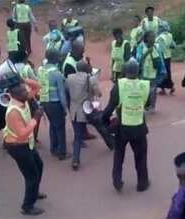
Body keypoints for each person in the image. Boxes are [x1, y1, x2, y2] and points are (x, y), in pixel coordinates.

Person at [102, 60, 151, 192]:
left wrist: (105, 121)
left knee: (119, 154)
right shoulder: (145, 85)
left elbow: (109, 107)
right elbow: (148, 104)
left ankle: (117, 181)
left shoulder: (119, 86)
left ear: (125, 71)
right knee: (140, 156)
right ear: (138, 71)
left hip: (122, 127)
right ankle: (142, 183)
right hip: (139, 127)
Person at [3, 76, 46, 216]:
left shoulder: (23, 100)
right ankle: (27, 206)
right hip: (17, 146)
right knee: (31, 175)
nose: (26, 93)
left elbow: (37, 87)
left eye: (25, 91)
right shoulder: (13, 112)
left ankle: (34, 192)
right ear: (14, 95)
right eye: (22, 92)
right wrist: (36, 119)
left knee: (39, 165)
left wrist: (23, 80)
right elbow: (21, 134)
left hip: (27, 143)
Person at [66, 60, 114, 170]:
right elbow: (99, 94)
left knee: (78, 136)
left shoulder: (69, 78)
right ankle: (111, 144)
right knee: (100, 126)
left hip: (75, 110)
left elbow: (67, 91)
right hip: (88, 108)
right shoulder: (90, 79)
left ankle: (75, 160)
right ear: (85, 68)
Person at [38, 48, 70, 160]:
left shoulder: (41, 70)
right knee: (60, 128)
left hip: (45, 102)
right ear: (55, 58)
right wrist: (65, 108)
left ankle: (53, 148)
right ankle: (62, 153)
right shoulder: (57, 74)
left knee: (52, 126)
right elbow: (61, 93)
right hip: (56, 103)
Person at [137, 31, 161, 113]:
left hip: (153, 73)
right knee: (144, 91)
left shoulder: (156, 47)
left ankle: (152, 106)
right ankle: (145, 105)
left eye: (154, 37)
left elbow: (158, 60)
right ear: (146, 38)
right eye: (152, 37)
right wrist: (148, 52)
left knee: (153, 90)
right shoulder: (141, 47)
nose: (153, 39)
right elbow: (139, 59)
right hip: (143, 73)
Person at [156, 21, 176, 95]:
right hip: (168, 56)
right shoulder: (169, 35)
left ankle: (163, 88)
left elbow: (161, 49)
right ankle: (170, 86)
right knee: (168, 72)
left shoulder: (160, 37)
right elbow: (173, 45)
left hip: (162, 57)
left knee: (162, 72)